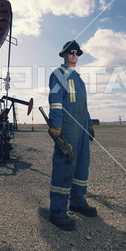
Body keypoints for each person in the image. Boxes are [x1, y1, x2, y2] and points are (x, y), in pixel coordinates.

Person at [48, 40, 97, 231]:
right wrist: (56, 125)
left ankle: (77, 201)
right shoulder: (58, 75)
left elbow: (83, 106)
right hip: (67, 128)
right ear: (64, 55)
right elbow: (55, 101)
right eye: (71, 52)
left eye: (77, 53)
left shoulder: (79, 79)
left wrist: (90, 123)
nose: (74, 55)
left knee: (82, 165)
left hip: (82, 127)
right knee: (65, 165)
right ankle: (58, 212)